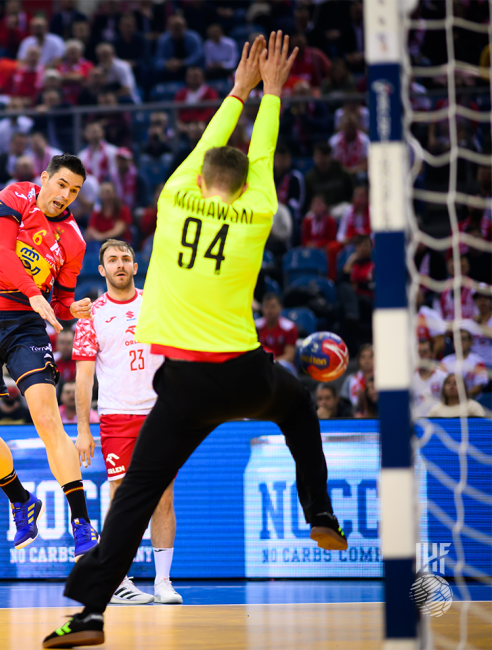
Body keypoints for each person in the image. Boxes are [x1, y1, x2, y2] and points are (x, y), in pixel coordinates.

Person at [46, 34, 347, 647]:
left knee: (134, 496)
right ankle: (318, 509)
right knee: (297, 408)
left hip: (180, 384)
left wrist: (237, 90)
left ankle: (90, 614)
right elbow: (260, 156)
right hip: (243, 371)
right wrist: (275, 95)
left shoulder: (174, 199)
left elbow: (212, 146)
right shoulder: (258, 209)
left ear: (199, 178)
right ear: (241, 188)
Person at [0, 152, 100, 562]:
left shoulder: (74, 240)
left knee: (47, 417)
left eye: (74, 191)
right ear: (44, 178)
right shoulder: (15, 196)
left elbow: (64, 298)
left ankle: (82, 523)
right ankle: (22, 500)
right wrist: (37, 296)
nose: (65, 195)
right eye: (61, 185)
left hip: (26, 327)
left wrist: (74, 308)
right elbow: (2, 254)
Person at [71, 238, 179, 605]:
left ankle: (163, 583)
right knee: (122, 500)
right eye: (112, 260)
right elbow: (83, 377)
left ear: (135, 266)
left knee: (164, 496)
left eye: (126, 259)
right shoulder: (91, 316)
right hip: (117, 417)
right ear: (101, 270)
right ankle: (118, 579)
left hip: (159, 414)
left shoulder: (156, 303)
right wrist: (84, 428)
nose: (120, 264)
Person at [255, 293, 299, 374]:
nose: (269, 310)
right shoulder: (255, 327)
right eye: (266, 306)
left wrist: (272, 362)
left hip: (281, 366)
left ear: (280, 307)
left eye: (273, 306)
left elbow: (289, 356)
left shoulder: (289, 328)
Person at [440, 329, 489, 399]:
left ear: (471, 342)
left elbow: (479, 387)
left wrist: (459, 396)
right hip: (451, 401)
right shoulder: (445, 361)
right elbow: (442, 385)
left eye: (463, 339)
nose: (459, 342)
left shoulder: (478, 361)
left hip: (472, 400)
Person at [412, 338, 448, 417]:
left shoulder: (443, 377)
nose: (421, 355)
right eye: (418, 352)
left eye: (425, 352)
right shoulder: (410, 380)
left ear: (433, 354)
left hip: (439, 421)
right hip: (416, 422)